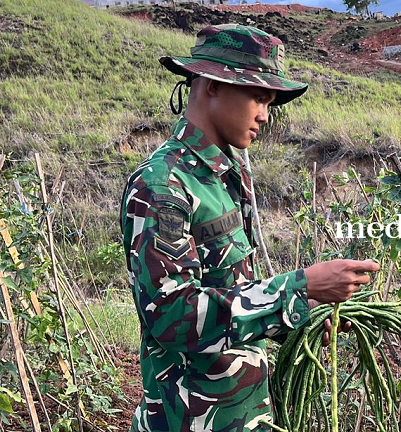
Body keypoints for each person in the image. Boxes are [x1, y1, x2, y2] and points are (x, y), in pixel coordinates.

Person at [119, 23, 379, 432]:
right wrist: (299, 287)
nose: (264, 115)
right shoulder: (163, 185)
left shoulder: (228, 171)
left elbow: (232, 291)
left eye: (270, 102)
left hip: (241, 414)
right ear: (211, 86)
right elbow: (171, 316)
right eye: (258, 97)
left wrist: (302, 311)